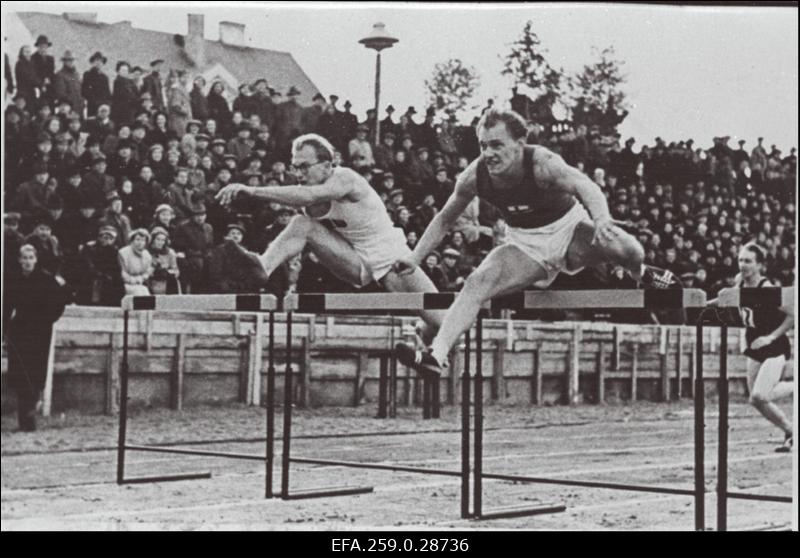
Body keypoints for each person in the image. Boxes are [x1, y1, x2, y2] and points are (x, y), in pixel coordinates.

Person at [393, 108, 678, 378]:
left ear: (520, 143)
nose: (489, 154)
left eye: (497, 145)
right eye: (483, 146)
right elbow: (444, 219)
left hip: (569, 229)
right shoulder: (474, 176)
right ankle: (436, 355)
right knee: (477, 282)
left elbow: (585, 185)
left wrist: (601, 218)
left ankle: (641, 273)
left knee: (630, 250)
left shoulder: (542, 163)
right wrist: (416, 257)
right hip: (525, 245)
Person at [215, 133, 445, 340]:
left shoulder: (346, 179)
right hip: (354, 260)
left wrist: (252, 190)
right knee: (302, 224)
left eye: (305, 167)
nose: (298, 173)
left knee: (442, 323)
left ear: (327, 166)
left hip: (391, 259)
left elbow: (310, 196)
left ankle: (419, 340)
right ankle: (263, 267)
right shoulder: (306, 193)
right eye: (295, 167)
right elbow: (303, 200)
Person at [710, 243, 794, 452]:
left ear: (759, 265)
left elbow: (793, 315)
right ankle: (791, 432)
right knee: (755, 400)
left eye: (748, 261)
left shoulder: (767, 289)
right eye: (740, 260)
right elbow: (726, 299)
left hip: (774, 346)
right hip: (754, 345)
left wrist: (771, 337)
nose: (743, 265)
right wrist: (700, 302)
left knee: (759, 395)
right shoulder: (739, 283)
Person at [3, 245, 68, 431]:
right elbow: (6, 306)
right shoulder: (13, 279)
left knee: (33, 375)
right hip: (19, 332)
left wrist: (46, 320)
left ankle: (29, 422)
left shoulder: (46, 279)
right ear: (19, 260)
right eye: (24, 258)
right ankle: (24, 422)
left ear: (36, 259)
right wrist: (4, 330)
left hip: (39, 333)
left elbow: (60, 301)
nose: (27, 261)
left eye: (31, 257)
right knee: (19, 376)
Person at [118, 228, 153, 295]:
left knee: (145, 291)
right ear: (132, 240)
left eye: (143, 240)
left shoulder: (147, 255)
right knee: (138, 292)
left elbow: (147, 272)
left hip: (140, 283)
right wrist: (133, 281)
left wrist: (141, 279)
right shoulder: (123, 253)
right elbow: (123, 272)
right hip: (126, 284)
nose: (140, 243)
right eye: (137, 239)